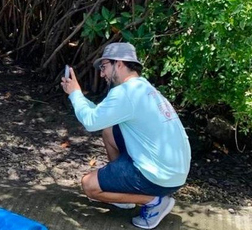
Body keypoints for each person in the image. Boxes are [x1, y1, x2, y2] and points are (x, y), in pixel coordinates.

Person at [61, 43, 191, 229]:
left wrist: (75, 94)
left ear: (119, 64)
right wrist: (78, 94)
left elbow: (90, 122)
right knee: (108, 130)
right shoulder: (143, 87)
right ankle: (124, 194)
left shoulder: (125, 93)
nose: (101, 73)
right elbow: (100, 117)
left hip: (159, 177)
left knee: (89, 186)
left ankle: (154, 202)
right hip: (174, 173)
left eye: (104, 66)